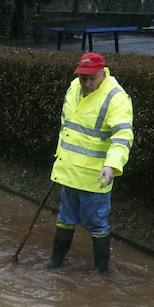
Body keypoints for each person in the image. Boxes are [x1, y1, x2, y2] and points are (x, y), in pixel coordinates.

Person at [46, 52, 134, 273]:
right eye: (82, 78)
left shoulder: (116, 98)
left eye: (91, 79)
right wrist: (60, 160)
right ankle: (55, 262)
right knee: (65, 218)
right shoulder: (73, 88)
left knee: (97, 224)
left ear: (103, 73)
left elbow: (122, 137)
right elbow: (66, 128)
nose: (86, 83)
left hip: (95, 178)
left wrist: (111, 166)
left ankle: (100, 271)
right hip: (68, 173)